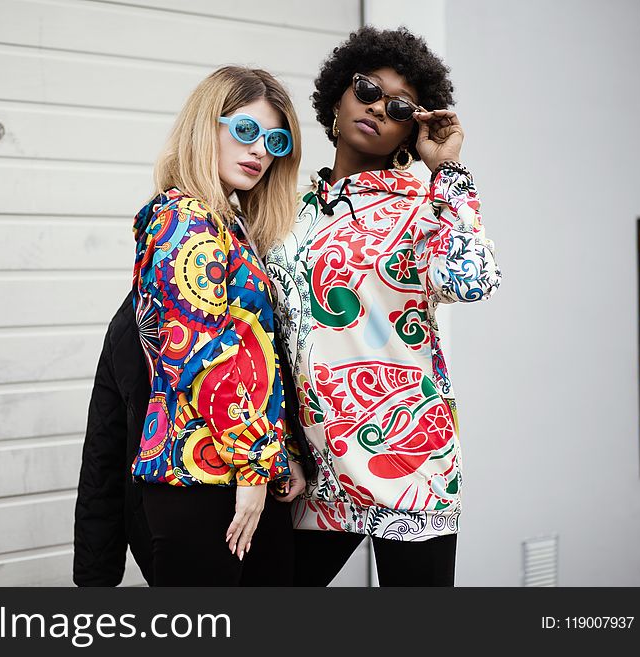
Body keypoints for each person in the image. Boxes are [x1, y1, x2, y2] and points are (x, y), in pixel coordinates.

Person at [266, 26, 502, 586]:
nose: (377, 107)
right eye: (367, 88)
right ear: (338, 96)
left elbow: (473, 280)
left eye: (399, 106)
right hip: (314, 469)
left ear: (409, 130)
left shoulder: (424, 208)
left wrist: (447, 171)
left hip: (410, 466)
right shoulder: (287, 214)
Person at [128, 66, 307, 586]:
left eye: (275, 140)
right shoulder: (183, 218)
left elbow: (261, 357)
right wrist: (256, 467)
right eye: (246, 131)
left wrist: (280, 455)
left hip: (242, 469)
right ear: (208, 125)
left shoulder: (228, 223)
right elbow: (202, 355)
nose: (261, 152)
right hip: (199, 478)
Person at [73, 294, 153, 587]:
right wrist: (95, 575)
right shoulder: (132, 321)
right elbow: (104, 451)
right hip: (167, 540)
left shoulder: (258, 296)